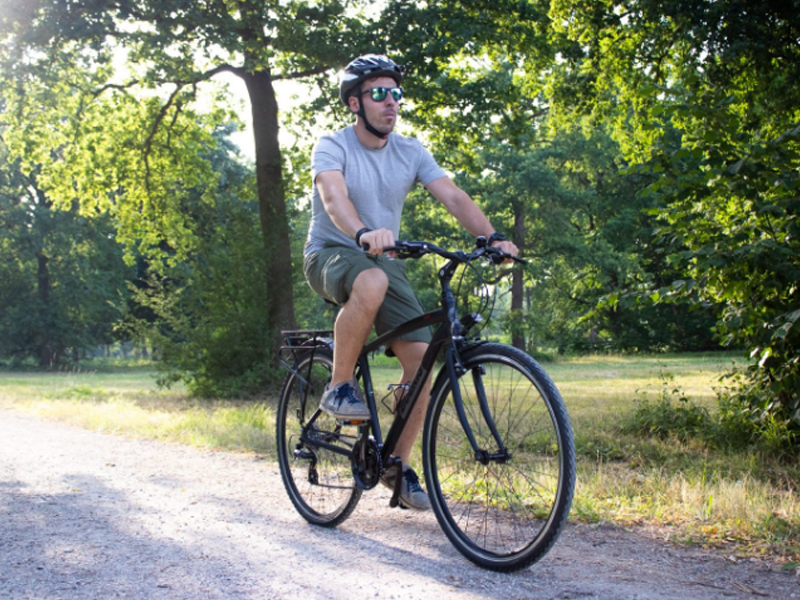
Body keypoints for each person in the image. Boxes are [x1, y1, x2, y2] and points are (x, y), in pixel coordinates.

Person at [303, 54, 518, 511]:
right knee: (373, 279)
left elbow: (453, 196)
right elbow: (333, 197)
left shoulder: (410, 151)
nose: (391, 103)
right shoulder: (332, 144)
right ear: (355, 104)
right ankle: (339, 386)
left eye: (395, 94)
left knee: (422, 367)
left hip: (383, 262)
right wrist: (362, 232)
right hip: (333, 251)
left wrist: (492, 237)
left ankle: (394, 469)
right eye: (379, 94)